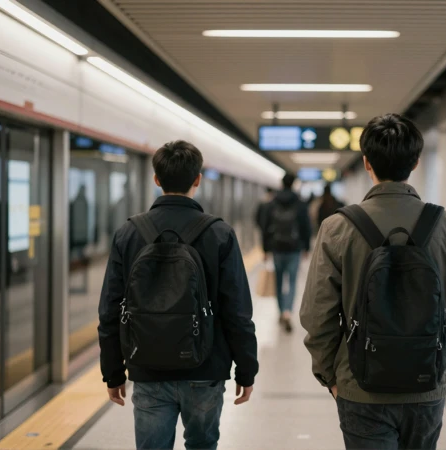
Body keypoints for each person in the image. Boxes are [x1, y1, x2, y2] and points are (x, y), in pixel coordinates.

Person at [300, 113, 446, 450]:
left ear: (367, 163)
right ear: (415, 162)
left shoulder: (337, 228)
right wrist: (444, 364)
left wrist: (333, 376)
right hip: (426, 384)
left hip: (360, 385)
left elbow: (317, 314)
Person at [98, 141, 259, 450]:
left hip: (147, 366)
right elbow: (237, 311)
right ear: (197, 179)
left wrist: (113, 371)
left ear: (156, 179)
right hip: (205, 366)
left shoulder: (129, 233)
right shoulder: (219, 233)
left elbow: (109, 310)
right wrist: (246, 369)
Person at [262, 173, 311, 332]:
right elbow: (306, 226)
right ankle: (288, 312)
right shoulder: (300, 203)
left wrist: (265, 248)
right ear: (294, 184)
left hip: (276, 247)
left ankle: (281, 311)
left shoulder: (272, 203)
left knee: (278, 280)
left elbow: (265, 226)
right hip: (294, 248)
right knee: (291, 281)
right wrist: (306, 247)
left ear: (281, 183)